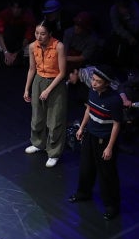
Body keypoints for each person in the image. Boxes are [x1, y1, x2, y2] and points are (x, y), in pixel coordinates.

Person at [69, 66, 124, 219]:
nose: (93, 83)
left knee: (107, 174)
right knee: (86, 167)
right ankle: (83, 193)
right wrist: (82, 127)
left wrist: (109, 147)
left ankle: (112, 205)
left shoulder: (114, 100)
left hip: (104, 140)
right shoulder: (92, 91)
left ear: (106, 83)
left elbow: (117, 124)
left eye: (98, 82)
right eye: (93, 80)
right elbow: (89, 109)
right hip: (90, 135)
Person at [25, 20, 70, 167]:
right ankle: (38, 143)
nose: (39, 36)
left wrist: (48, 90)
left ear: (50, 33)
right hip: (39, 81)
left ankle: (54, 153)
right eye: (37, 33)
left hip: (55, 83)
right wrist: (27, 88)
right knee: (37, 116)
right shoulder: (32, 46)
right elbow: (32, 69)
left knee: (55, 119)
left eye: (43, 34)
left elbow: (62, 72)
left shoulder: (59, 46)